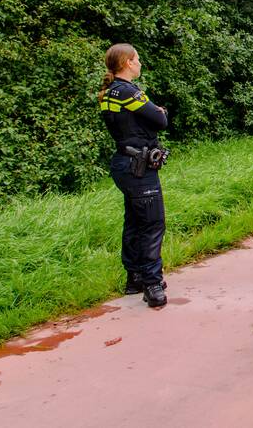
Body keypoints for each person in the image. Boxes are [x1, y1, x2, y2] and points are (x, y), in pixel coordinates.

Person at [98, 44, 170, 308]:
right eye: (137, 59)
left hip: (123, 163)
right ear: (128, 62)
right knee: (152, 223)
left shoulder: (108, 92)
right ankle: (152, 284)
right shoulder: (128, 91)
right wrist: (159, 112)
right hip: (138, 165)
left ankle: (135, 276)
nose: (140, 63)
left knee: (134, 221)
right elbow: (159, 120)